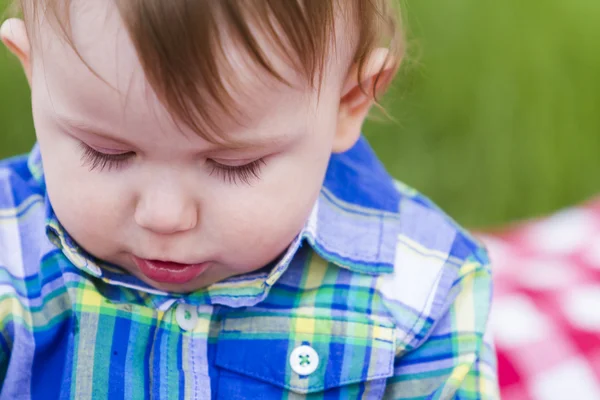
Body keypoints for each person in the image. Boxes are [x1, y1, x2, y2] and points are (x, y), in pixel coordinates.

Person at [0, 1, 498, 398]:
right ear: (32, 71)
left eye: (232, 164)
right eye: (107, 152)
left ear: (348, 101)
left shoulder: (421, 292)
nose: (165, 216)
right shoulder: (11, 260)